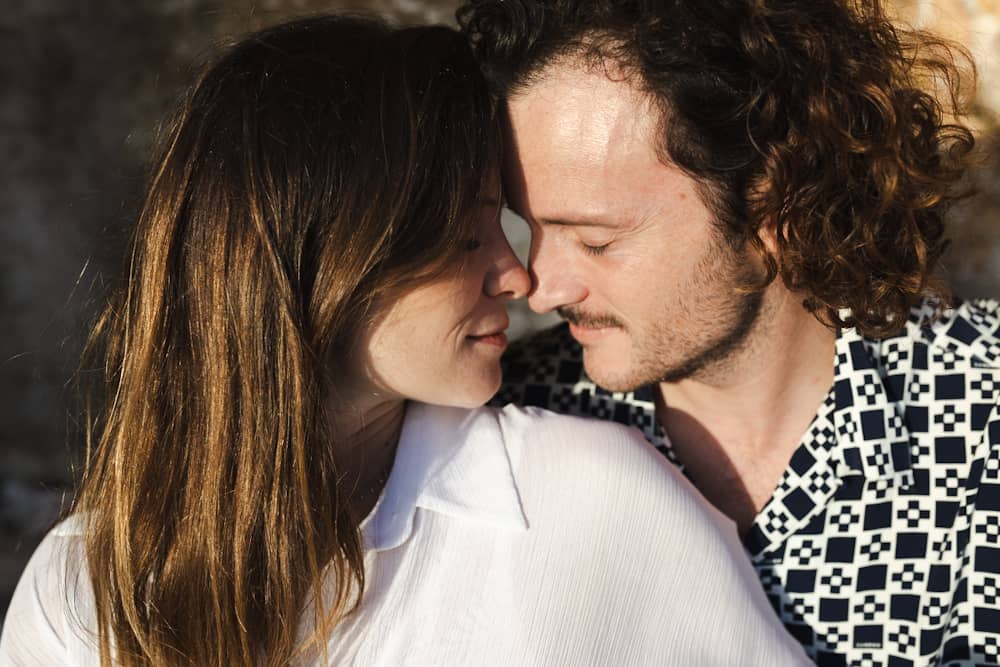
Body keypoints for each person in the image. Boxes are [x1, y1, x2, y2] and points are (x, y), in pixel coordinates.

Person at [0, 14, 810, 667]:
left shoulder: (590, 496)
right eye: (466, 239)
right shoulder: (85, 596)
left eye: (508, 228)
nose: (521, 279)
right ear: (321, 260)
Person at [458, 0, 1000, 665]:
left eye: (596, 240)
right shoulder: (501, 432)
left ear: (775, 203)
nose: (541, 287)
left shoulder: (981, 409)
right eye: (530, 228)